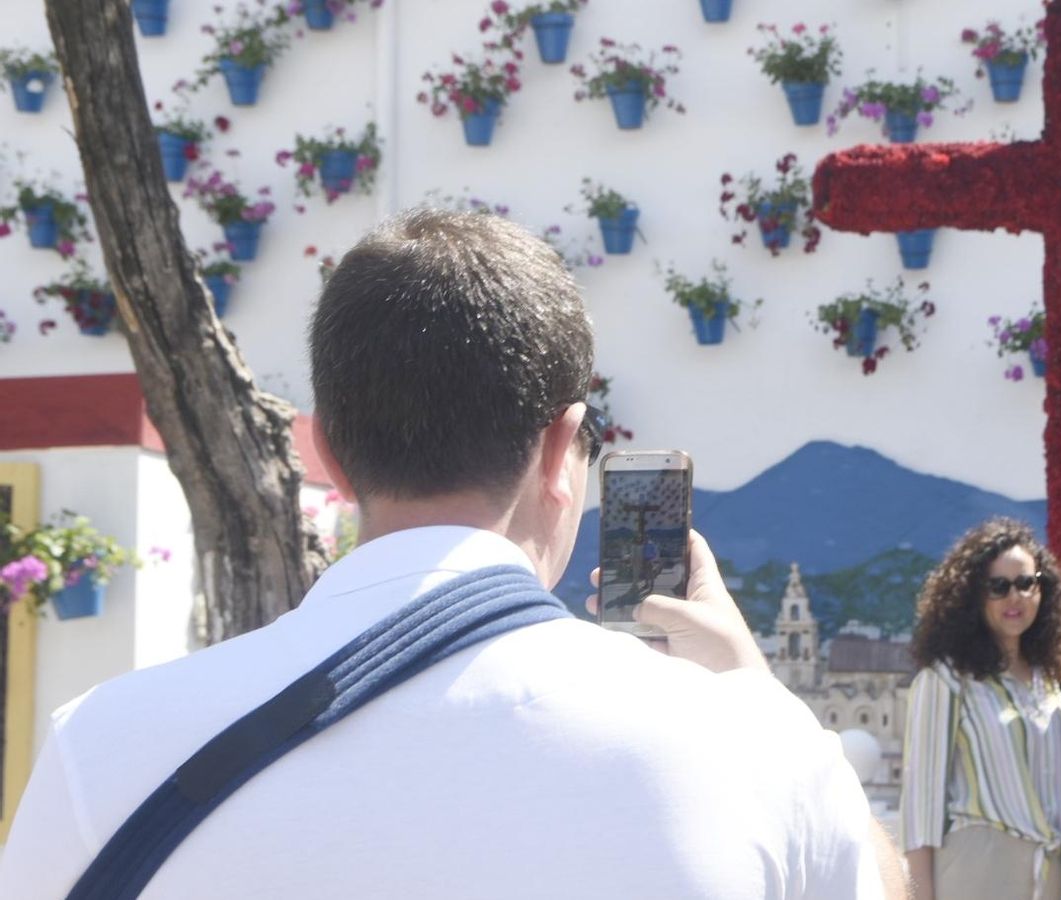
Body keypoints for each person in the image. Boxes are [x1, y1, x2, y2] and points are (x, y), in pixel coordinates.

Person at [0, 209, 902, 899]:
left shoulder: (103, 747)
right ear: (562, 452)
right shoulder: (754, 749)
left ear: (332, 456)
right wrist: (755, 687)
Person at [900, 518, 1061, 900]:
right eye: (998, 587)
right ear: (972, 596)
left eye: (1026, 583)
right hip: (978, 870)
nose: (1015, 597)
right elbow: (920, 810)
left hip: (1051, 877)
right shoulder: (945, 679)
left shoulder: (1051, 680)